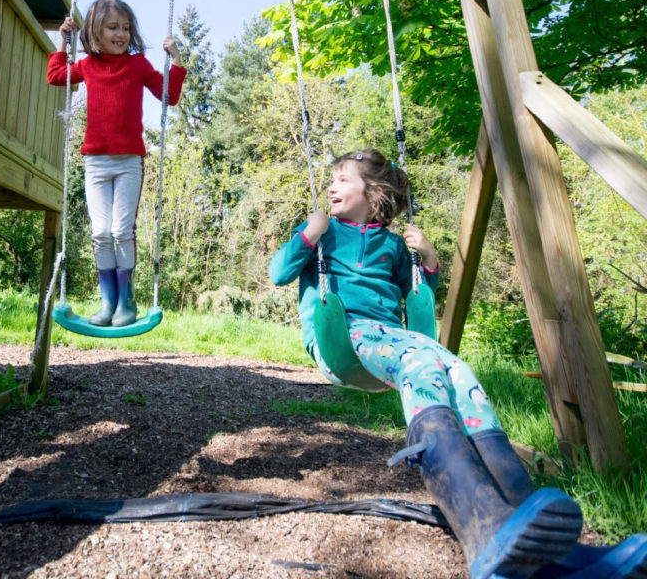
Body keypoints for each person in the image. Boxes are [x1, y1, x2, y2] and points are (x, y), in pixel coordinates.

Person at [270, 148, 646, 579]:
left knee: (458, 371)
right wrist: (308, 235)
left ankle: (535, 534)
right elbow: (279, 272)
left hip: (394, 336)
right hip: (343, 335)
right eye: (332, 179)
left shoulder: (393, 245)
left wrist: (428, 259)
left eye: (342, 179)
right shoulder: (324, 232)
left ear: (372, 193)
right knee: (421, 367)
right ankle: (484, 526)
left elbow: (418, 293)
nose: (331, 186)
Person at [47, 0, 186, 327]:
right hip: (96, 162)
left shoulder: (137, 65)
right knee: (100, 232)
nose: (121, 34)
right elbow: (55, 76)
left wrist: (176, 60)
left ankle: (126, 302)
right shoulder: (90, 66)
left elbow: (170, 96)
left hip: (128, 163)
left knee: (122, 230)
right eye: (113, 27)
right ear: (96, 30)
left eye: (126, 28)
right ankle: (107, 302)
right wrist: (63, 41)